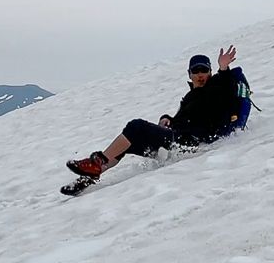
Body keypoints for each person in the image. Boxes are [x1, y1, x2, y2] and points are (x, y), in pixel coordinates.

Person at [67, 45, 242, 179]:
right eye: (196, 70)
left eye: (204, 70)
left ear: (211, 72)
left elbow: (225, 91)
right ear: (189, 74)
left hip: (190, 143)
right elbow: (188, 120)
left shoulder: (214, 88)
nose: (200, 74)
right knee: (130, 143)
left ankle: (97, 163)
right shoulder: (191, 97)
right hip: (179, 137)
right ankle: (92, 175)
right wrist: (167, 119)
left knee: (135, 126)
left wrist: (224, 68)